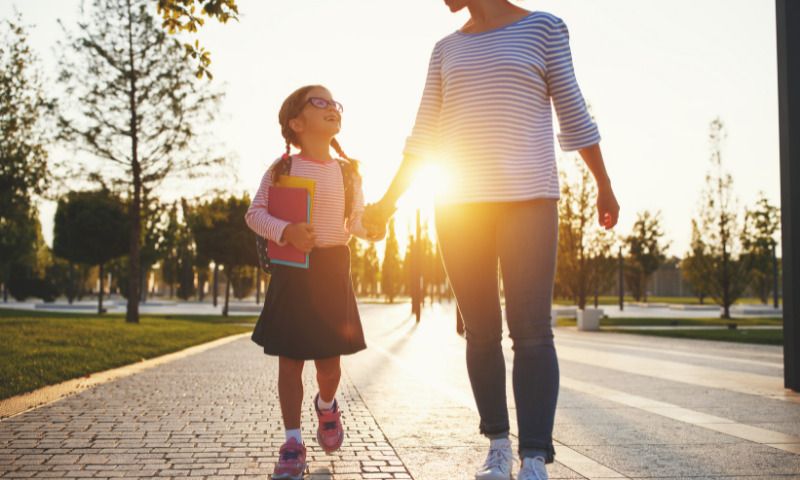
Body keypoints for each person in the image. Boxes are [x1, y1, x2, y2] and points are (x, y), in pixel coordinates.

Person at [363, 2, 620, 479]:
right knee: (480, 331)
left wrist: (603, 183)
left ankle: (536, 457)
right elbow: (422, 138)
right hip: (459, 208)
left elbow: (573, 111)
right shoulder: (445, 49)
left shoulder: (543, 28)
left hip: (530, 200)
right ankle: (498, 446)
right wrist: (388, 203)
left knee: (532, 331)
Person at [244, 85, 385, 480]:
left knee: (329, 365)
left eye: (334, 102)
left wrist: (372, 229)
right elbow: (254, 215)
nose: (331, 108)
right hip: (293, 272)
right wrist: (286, 230)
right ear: (295, 122)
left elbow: (354, 222)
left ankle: (327, 405)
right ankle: (292, 442)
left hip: (331, 271)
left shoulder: (348, 172)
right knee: (290, 363)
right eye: (318, 102)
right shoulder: (281, 170)